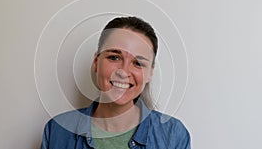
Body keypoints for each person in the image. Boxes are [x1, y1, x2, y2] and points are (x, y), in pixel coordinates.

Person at [41, 16, 191, 149]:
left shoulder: (173, 136)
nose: (123, 71)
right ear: (95, 62)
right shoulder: (57, 131)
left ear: (150, 73)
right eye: (114, 57)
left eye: (138, 62)